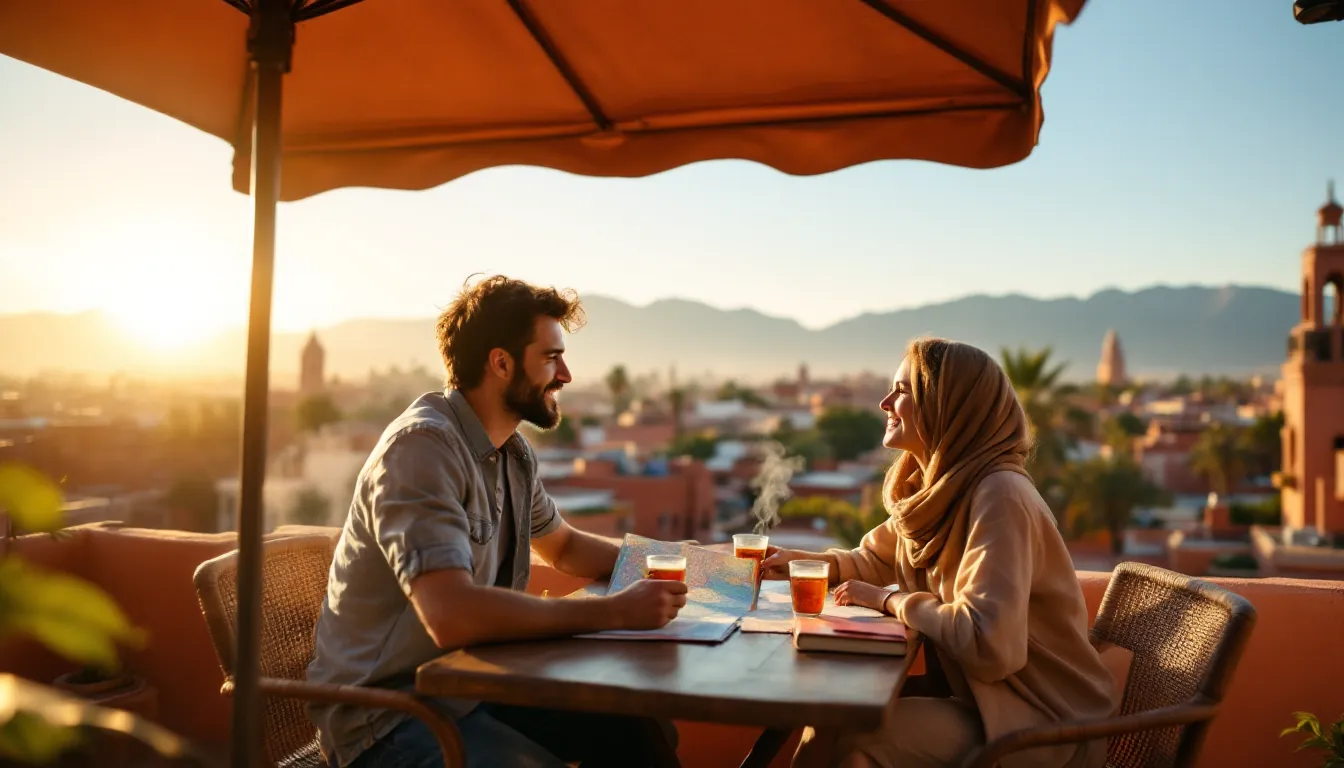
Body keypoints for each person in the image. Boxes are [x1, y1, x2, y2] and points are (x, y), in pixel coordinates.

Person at [307, 275, 687, 768]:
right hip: (391, 718)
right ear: (501, 363)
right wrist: (616, 612)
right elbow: (452, 615)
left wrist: (674, 567)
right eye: (551, 357)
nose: (566, 374)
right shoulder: (422, 449)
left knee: (637, 729)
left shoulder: (511, 453)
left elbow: (564, 547)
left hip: (473, 686)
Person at [761, 338, 1117, 768]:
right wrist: (801, 564)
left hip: (1042, 722)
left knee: (855, 741)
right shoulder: (940, 490)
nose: (885, 402)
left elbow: (991, 646)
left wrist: (889, 600)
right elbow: (875, 559)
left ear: (948, 405)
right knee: (829, 721)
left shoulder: (1000, 496)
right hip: (990, 704)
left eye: (903, 390)